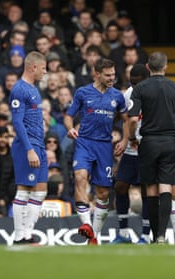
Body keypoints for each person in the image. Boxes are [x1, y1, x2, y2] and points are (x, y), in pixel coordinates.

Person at [64, 58, 128, 245]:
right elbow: (69, 116)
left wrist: (124, 140)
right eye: (108, 75)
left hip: (104, 147)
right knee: (80, 177)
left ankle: (95, 236)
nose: (111, 78)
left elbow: (126, 120)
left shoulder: (117, 96)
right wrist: (70, 128)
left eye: (113, 75)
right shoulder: (83, 93)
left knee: (103, 193)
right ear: (97, 74)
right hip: (84, 142)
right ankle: (86, 225)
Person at [128, 52, 175, 244]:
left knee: (150, 189)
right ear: (166, 67)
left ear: (147, 67)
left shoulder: (140, 88)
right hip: (170, 141)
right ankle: (162, 234)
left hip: (149, 142)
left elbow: (133, 119)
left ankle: (154, 235)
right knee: (166, 188)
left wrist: (131, 137)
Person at [9, 51, 48, 245]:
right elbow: (17, 122)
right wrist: (29, 149)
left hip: (39, 145)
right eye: (43, 68)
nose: (45, 71)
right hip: (28, 146)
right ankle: (19, 236)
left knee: (40, 190)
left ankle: (28, 234)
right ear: (33, 67)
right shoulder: (19, 89)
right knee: (24, 190)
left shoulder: (34, 88)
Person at [110, 63, 149, 244]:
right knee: (120, 185)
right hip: (131, 147)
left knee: (146, 190)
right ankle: (123, 233)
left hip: (148, 148)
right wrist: (126, 140)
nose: (134, 86)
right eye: (131, 82)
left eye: (136, 82)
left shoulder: (154, 93)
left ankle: (146, 235)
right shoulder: (128, 94)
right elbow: (126, 121)